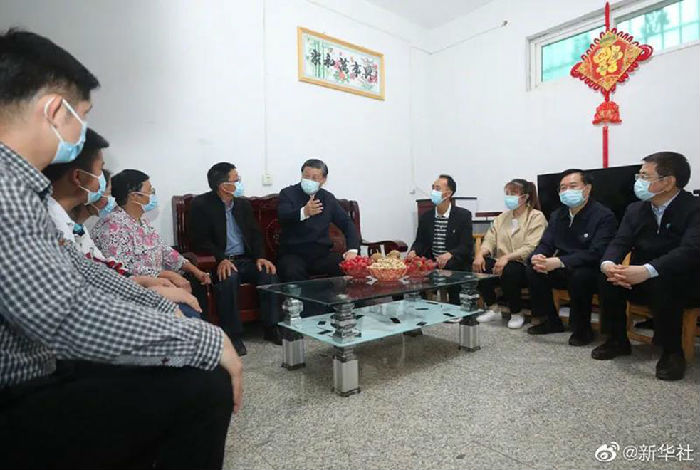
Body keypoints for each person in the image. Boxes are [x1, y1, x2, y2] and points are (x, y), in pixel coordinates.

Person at [0, 29, 240, 469]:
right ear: (54, 111)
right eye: (82, 116)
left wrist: (157, 301)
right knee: (203, 385)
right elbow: (62, 313)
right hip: (18, 388)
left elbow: (81, 269)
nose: (82, 133)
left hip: (42, 362)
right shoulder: (6, 189)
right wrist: (202, 337)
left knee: (187, 371)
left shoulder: (21, 188)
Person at [593, 152, 700, 381]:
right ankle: (617, 340)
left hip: (685, 281)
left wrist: (647, 270)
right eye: (638, 175)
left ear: (668, 182)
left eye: (644, 176)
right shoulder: (635, 209)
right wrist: (609, 264)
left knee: (665, 282)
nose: (638, 181)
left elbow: (690, 250)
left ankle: (672, 352)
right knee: (608, 278)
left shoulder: (694, 208)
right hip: (640, 277)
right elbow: (620, 241)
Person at [189, 162, 282, 350]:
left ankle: (271, 327)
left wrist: (260, 257)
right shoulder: (201, 205)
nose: (239, 183)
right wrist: (220, 259)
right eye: (236, 180)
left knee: (268, 274)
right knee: (228, 279)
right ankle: (233, 335)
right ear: (224, 186)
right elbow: (199, 240)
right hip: (219, 262)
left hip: (245, 260)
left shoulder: (242, 204)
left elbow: (255, 234)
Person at [526, 168, 618, 345]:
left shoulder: (603, 215)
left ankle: (582, 329)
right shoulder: (557, 215)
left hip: (589, 268)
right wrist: (538, 256)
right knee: (533, 269)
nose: (567, 191)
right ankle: (550, 320)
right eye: (563, 188)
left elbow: (597, 252)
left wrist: (560, 261)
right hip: (562, 266)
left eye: (573, 186)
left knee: (579, 276)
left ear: (587, 189)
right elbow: (546, 243)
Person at [92, 169, 211, 287]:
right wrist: (169, 275)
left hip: (159, 282)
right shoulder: (112, 225)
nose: (152, 195)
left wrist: (195, 270)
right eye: (150, 191)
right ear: (134, 196)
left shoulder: (142, 221)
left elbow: (165, 251)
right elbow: (124, 268)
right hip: (135, 288)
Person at [277, 159, 360, 314]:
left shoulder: (327, 198)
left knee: (346, 266)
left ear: (323, 180)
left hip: (320, 254)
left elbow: (347, 224)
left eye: (314, 177)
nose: (309, 180)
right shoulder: (288, 194)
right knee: (292, 270)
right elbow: (283, 216)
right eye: (306, 176)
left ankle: (344, 311)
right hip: (293, 253)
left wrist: (352, 250)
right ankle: (304, 315)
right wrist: (304, 212)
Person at [474, 179, 547, 328]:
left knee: (510, 269)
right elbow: (490, 239)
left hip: (524, 265)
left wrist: (507, 257)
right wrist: (480, 254)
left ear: (525, 197)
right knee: (480, 265)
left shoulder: (536, 217)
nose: (509, 197)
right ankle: (493, 308)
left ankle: (516, 313)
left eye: (513, 193)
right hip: (501, 262)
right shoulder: (502, 218)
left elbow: (530, 247)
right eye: (507, 193)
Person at [407, 174, 473, 304]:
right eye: (433, 188)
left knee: (452, 267)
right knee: (415, 269)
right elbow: (420, 242)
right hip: (433, 261)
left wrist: (450, 254)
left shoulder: (463, 216)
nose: (433, 192)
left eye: (437, 189)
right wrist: (413, 251)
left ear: (448, 194)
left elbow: (466, 246)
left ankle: (455, 307)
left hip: (454, 261)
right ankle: (422, 306)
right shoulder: (426, 217)